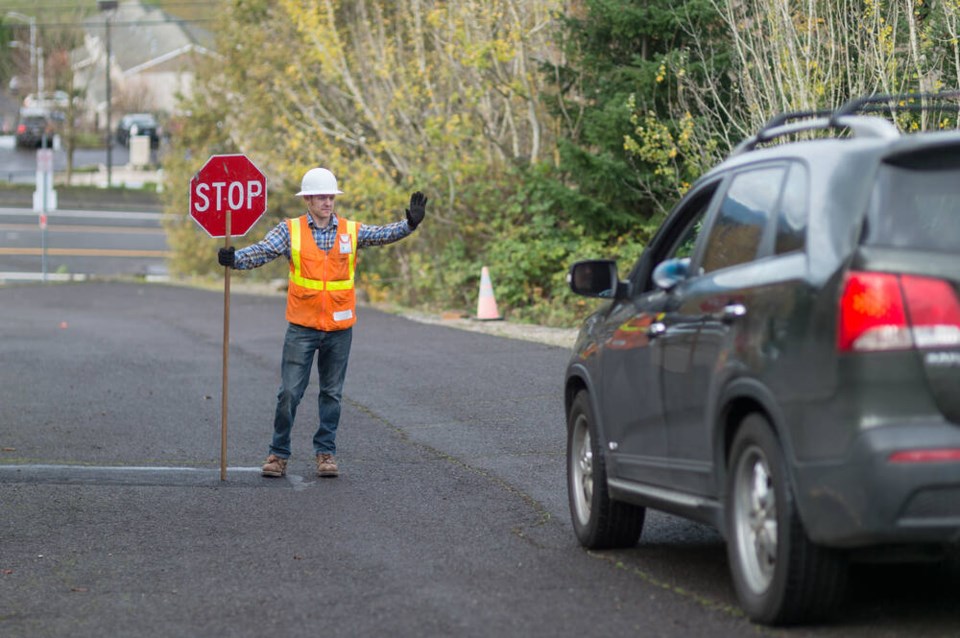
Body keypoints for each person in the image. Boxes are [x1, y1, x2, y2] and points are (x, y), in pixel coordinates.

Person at [217, 167, 427, 479]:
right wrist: (236, 259)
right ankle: (278, 453)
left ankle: (325, 453)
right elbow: (263, 251)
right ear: (308, 200)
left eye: (330, 196)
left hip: (340, 329)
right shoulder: (290, 231)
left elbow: (382, 234)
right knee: (289, 392)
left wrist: (409, 224)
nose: (327, 202)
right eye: (320, 197)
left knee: (331, 393)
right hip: (302, 326)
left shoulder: (351, 231)